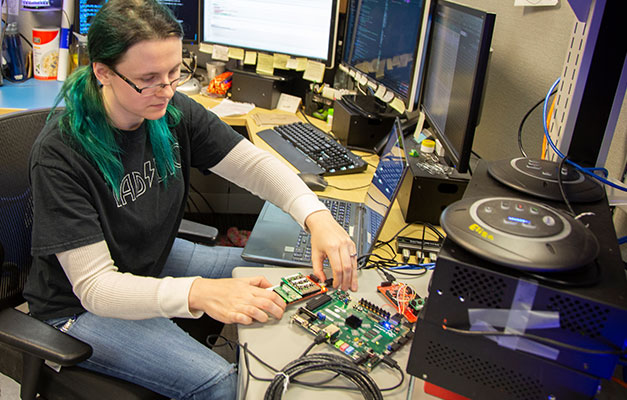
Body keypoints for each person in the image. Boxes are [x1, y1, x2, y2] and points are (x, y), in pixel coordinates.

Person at [23, 1, 358, 398]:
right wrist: (198, 293)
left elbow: (251, 165)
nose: (166, 90)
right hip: (79, 307)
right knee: (228, 385)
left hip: (148, 257)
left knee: (288, 273)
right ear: (103, 72)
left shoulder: (168, 109)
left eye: (174, 73)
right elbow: (96, 287)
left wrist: (316, 216)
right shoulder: (62, 153)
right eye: (148, 79)